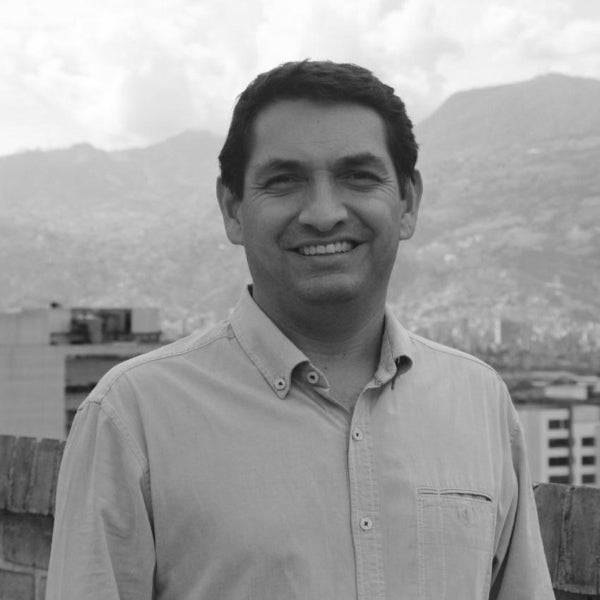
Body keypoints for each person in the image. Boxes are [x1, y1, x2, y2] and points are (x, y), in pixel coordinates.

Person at [46, 60, 554, 599]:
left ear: (407, 202)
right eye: (285, 181)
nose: (324, 213)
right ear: (232, 209)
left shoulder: (479, 402)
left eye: (358, 176)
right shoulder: (133, 417)